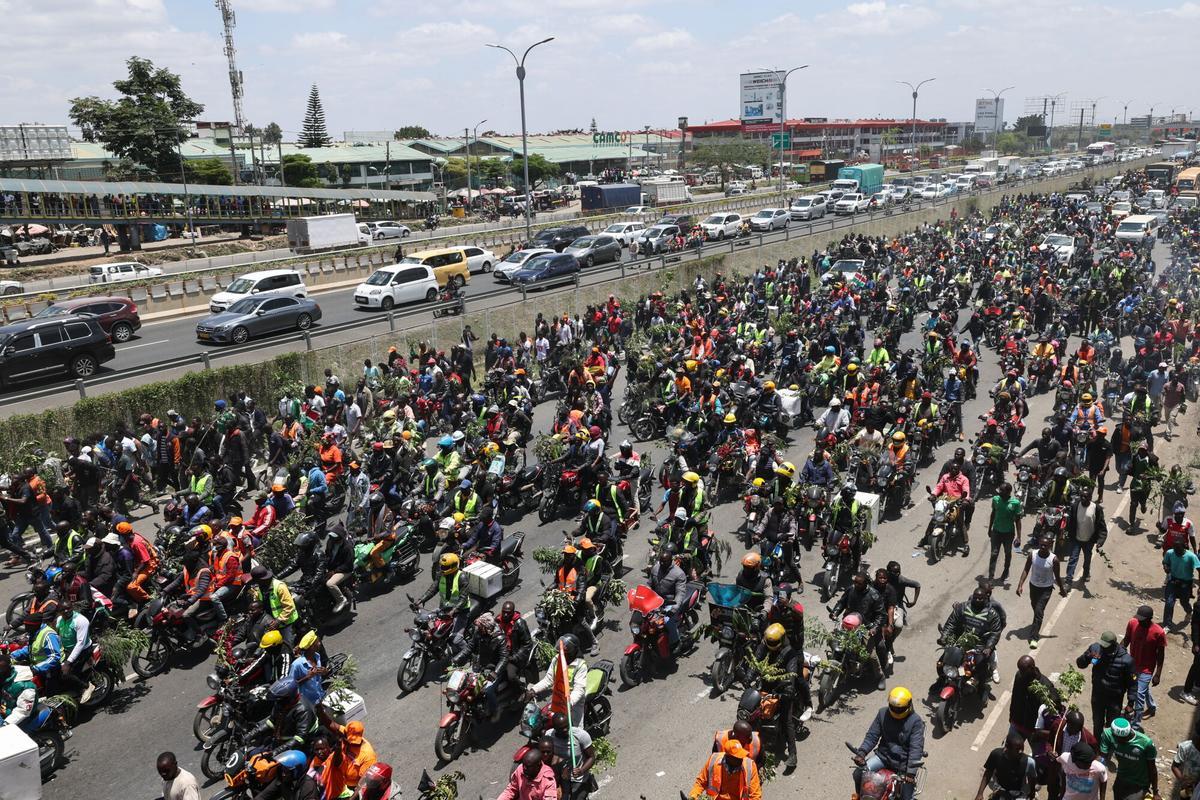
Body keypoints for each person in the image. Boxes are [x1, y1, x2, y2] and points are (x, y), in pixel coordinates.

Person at [852, 687, 926, 800]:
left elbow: (916, 748)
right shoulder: (882, 713)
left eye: (899, 708)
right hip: (883, 757)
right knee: (858, 774)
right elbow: (872, 736)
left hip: (903, 765)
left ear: (909, 705)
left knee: (906, 797)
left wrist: (910, 773)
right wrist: (862, 753)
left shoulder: (915, 721)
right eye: (893, 707)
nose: (896, 710)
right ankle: (859, 796)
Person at [752, 623, 803, 770]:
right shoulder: (763, 645)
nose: (771, 645)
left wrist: (788, 689)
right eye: (770, 642)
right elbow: (755, 662)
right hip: (766, 684)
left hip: (782, 687)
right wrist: (748, 677)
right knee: (752, 712)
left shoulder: (790, 653)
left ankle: (792, 754)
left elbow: (791, 673)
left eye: (774, 642)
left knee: (787, 720)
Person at [452, 612, 509, 721]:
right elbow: (469, 648)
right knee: (463, 683)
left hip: (494, 670)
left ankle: (495, 710)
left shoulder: (500, 638)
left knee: (487, 690)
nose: (478, 629)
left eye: (480, 627)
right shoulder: (478, 633)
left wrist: (495, 672)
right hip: (479, 666)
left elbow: (504, 658)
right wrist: (457, 658)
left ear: (487, 627)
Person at [1076, 632, 1136, 732]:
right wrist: (1088, 656)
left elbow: (1132, 683)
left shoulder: (1126, 660)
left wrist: (1130, 703)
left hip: (1115, 699)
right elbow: (1080, 664)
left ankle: (1108, 741)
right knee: (1097, 723)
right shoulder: (1095, 649)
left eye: (1106, 647)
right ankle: (1097, 741)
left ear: (1114, 645)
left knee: (1111, 726)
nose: (1103, 648)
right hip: (1098, 696)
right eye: (1102, 645)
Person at [1016, 536, 1068, 649]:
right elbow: (1026, 569)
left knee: (1039, 611)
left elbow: (1057, 576)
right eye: (1041, 545)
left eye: (1045, 545)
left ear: (1050, 546)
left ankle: (1034, 638)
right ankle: (1036, 622)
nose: (1043, 547)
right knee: (1035, 608)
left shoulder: (1054, 560)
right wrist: (1020, 585)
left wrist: (1062, 589)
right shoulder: (1032, 555)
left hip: (1046, 589)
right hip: (1033, 586)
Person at [1121, 605, 1164, 729]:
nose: (1139, 621)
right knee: (1141, 689)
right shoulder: (1133, 623)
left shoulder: (1159, 632)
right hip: (1132, 665)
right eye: (1138, 618)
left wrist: (1157, 674)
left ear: (1149, 619)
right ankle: (1152, 707)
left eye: (1142, 620)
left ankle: (1135, 725)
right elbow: (1126, 639)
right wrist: (1118, 652)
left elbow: (1160, 655)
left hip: (1147, 669)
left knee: (1138, 694)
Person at [1098, 717, 1159, 800]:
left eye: (1123, 739)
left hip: (1139, 783)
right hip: (1121, 777)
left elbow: (1152, 769)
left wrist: (1155, 792)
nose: (1119, 742)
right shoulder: (1108, 734)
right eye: (1117, 738)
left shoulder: (1145, 743)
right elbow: (1103, 757)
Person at [688, 738, 762, 800]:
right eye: (738, 757)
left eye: (742, 756)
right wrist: (693, 797)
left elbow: (755, 795)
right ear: (728, 757)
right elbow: (700, 782)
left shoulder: (750, 766)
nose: (741, 759)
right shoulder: (714, 760)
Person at [1009, 655, 1060, 740]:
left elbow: (1053, 710)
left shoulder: (1045, 687)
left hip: (1033, 730)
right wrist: (1011, 716)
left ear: (1032, 668)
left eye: (1023, 671)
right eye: (1020, 670)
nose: (1021, 673)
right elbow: (1015, 697)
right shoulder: (1019, 676)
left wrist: (1040, 732)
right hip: (1017, 722)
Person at [974, 732, 1037, 800]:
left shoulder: (1029, 762)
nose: (1021, 751)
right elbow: (988, 772)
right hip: (1000, 789)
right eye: (1017, 749)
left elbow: (1032, 778)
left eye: (1022, 748)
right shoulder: (996, 755)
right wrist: (980, 793)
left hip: (1018, 793)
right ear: (1007, 747)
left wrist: (1032, 792)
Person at [248, 565, 299, 647]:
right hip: (271, 623)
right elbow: (258, 603)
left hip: (286, 623)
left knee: (287, 647)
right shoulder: (259, 589)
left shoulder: (279, 586)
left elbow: (289, 606)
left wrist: (278, 621)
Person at [1065, 487, 1107, 585]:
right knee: (1073, 559)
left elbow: (1102, 527)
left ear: (1090, 497)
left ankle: (1086, 573)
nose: (1083, 498)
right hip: (1076, 539)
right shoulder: (1075, 506)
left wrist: (1100, 541)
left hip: (1089, 540)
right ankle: (1068, 580)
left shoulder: (1096, 509)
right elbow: (1070, 522)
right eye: (1081, 496)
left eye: (1085, 497)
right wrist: (1068, 534)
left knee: (1087, 559)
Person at [988, 482, 1023, 583]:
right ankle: (991, 577)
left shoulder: (1015, 503)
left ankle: (1006, 570)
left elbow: (1018, 520)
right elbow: (993, 513)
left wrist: (1019, 537)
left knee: (1007, 553)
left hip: (1008, 533)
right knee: (994, 554)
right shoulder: (996, 499)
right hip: (996, 531)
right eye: (1000, 490)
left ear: (1008, 492)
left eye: (1002, 491)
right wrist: (989, 528)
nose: (999, 492)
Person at [1162, 538, 1200, 627]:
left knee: (1184, 602)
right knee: (1169, 603)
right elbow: (1165, 562)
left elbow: (1199, 569)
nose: (1177, 552)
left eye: (1179, 549)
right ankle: (1167, 625)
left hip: (1185, 583)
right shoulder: (1170, 553)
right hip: (1173, 580)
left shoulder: (1191, 557)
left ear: (1184, 547)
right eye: (1175, 549)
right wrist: (1166, 567)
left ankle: (1189, 611)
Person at [288, 630, 329, 707]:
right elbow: (290, 686)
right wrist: (307, 677)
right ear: (311, 647)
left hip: (320, 696)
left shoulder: (317, 656)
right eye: (317, 642)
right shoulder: (297, 665)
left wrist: (325, 671)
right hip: (308, 704)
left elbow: (318, 679)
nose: (319, 643)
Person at [0, 650, 36, 726]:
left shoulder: (25, 686)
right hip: (5, 709)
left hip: (15, 718)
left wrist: (5, 724)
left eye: (1, 668)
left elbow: (22, 711)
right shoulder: (4, 678)